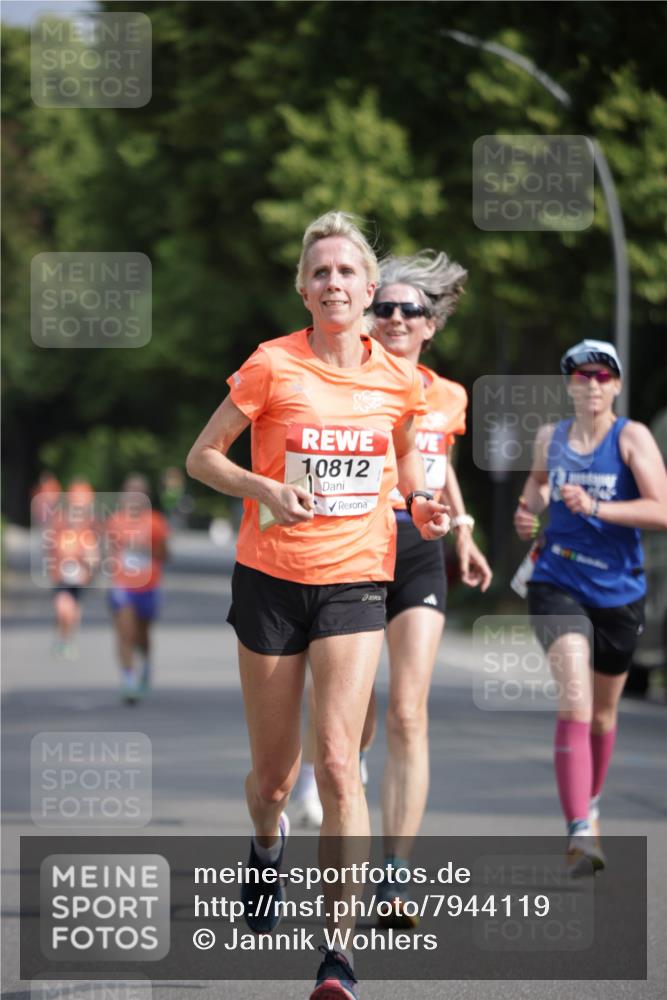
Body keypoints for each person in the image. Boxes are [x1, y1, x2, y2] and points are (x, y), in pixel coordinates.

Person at [186, 211, 450, 1000]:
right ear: (303, 288)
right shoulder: (271, 366)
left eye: (347, 273)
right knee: (273, 780)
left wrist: (424, 505)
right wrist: (262, 485)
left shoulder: (397, 379)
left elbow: (406, 459)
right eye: (320, 272)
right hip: (269, 580)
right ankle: (266, 849)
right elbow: (201, 458)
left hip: (354, 581)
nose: (334, 283)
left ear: (370, 290)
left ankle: (336, 954)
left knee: (340, 764)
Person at [365, 250, 492, 922]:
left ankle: (393, 876)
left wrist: (464, 531)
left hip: (418, 548)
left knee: (408, 712)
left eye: (405, 309)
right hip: (354, 547)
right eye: (380, 306)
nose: (391, 317)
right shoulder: (348, 382)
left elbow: (437, 466)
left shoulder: (447, 395)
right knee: (350, 727)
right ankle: (333, 796)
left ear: (429, 323)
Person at [514, 339, 667, 871]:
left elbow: (661, 510)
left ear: (617, 385)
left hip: (620, 592)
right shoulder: (550, 439)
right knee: (576, 701)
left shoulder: (633, 439)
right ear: (570, 386)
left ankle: (591, 803)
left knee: (603, 716)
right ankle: (579, 827)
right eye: (581, 376)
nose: (592, 384)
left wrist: (598, 505)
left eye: (603, 375)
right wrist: (526, 509)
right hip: (557, 580)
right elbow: (536, 487)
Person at [105, 474, 170, 704]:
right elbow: (111, 552)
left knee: (142, 635)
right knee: (125, 631)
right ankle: (128, 678)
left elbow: (165, 555)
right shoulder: (115, 521)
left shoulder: (155, 522)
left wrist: (146, 549)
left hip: (148, 585)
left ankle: (145, 665)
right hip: (123, 585)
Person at [45, 478, 99, 660]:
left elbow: (94, 558)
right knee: (62, 609)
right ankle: (63, 638)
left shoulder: (87, 532)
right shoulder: (59, 528)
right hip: (61, 578)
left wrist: (87, 563)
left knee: (73, 612)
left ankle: (67, 640)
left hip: (79, 579)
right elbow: (49, 549)